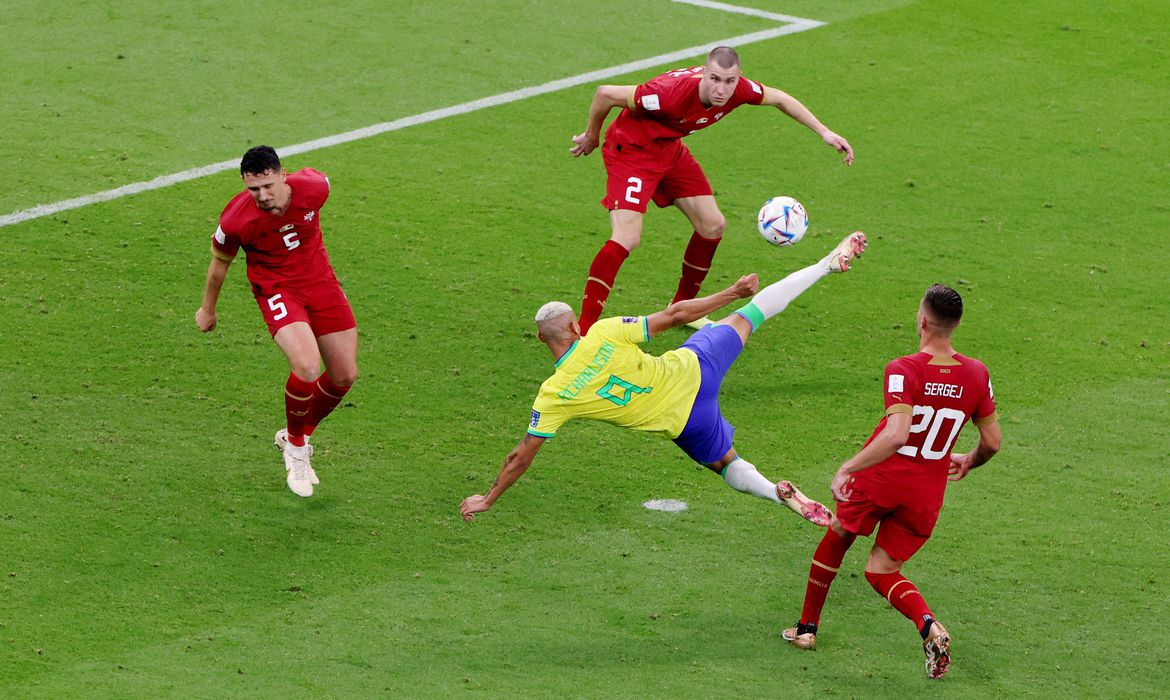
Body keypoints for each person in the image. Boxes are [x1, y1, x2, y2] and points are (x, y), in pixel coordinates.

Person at [460, 232, 867, 525]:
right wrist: (731, 292)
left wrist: (489, 497)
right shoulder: (603, 331)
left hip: (685, 422)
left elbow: (522, 456)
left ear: (540, 338)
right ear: (576, 327)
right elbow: (674, 316)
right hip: (695, 366)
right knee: (752, 315)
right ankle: (824, 265)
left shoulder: (553, 396)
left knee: (728, 465)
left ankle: (772, 492)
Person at [781, 284, 1002, 680]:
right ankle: (928, 626)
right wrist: (969, 460)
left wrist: (848, 466)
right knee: (881, 571)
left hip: (883, 478)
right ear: (956, 325)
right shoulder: (977, 373)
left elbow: (897, 433)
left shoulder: (904, 368)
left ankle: (806, 629)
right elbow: (992, 442)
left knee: (839, 534)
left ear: (921, 320)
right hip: (926, 493)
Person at [570, 45, 854, 335]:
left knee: (713, 225)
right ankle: (584, 329)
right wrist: (592, 136)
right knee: (627, 237)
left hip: (668, 149)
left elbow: (779, 98)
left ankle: (682, 308)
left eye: (729, 81)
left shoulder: (739, 90)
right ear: (704, 74)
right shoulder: (667, 93)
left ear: (738, 78)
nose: (722, 89)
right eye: (715, 79)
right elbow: (605, 93)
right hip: (632, 150)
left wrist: (824, 131)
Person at [195, 146, 359, 498]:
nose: (263, 196)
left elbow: (322, 180)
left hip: (321, 284)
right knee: (306, 365)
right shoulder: (236, 219)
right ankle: (297, 450)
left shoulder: (315, 188)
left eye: (268, 185)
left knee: (345, 374)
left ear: (283, 175)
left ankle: (293, 433)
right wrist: (208, 310)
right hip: (277, 290)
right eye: (254, 189)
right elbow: (218, 267)